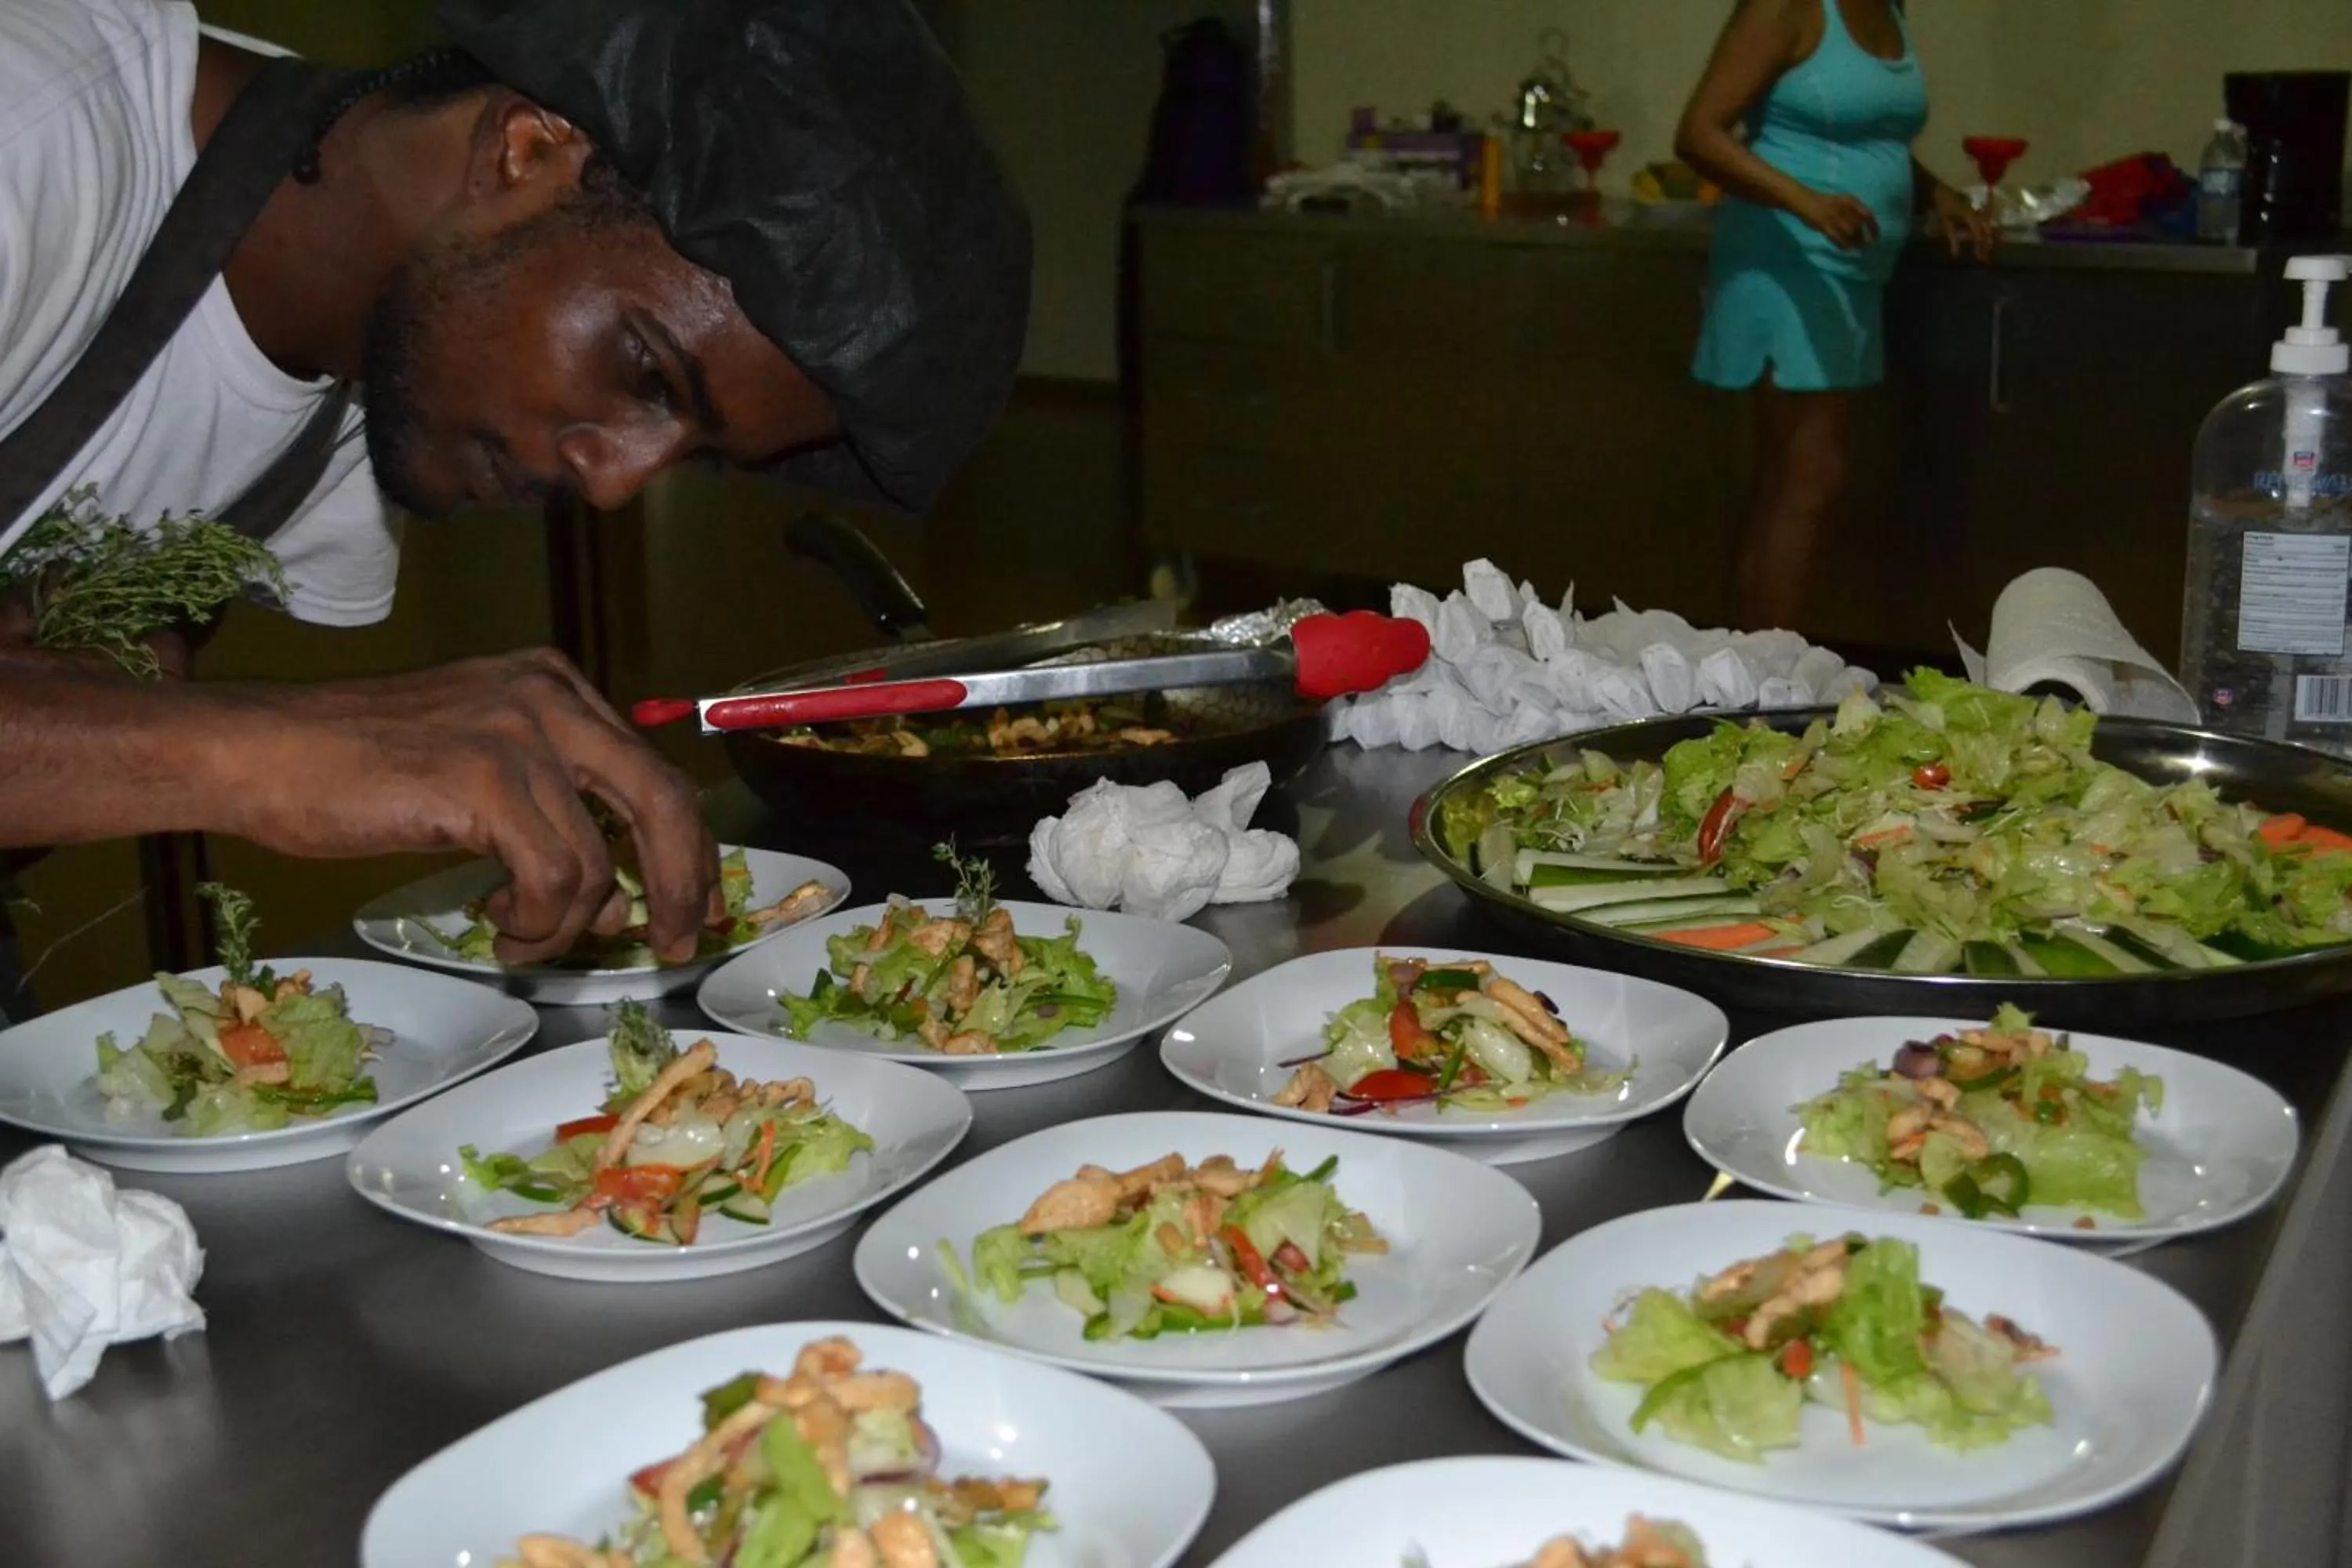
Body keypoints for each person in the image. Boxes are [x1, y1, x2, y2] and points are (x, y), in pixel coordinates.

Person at [0, 0, 1029, 1006]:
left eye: (695, 452)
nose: (617, 483)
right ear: (528, 149)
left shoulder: (370, 385)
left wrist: (124, 707)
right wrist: (267, 747)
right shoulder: (33, 133)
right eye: (647, 373)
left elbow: (81, 722)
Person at [1675, 0, 1994, 632]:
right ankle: (1773, 681)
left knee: (1788, 479)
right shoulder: (1785, 8)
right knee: (1810, 475)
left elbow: (1873, 133)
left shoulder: (1889, 10)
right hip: (1786, 263)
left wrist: (1942, 196)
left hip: (1851, 275)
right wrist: (1807, 203)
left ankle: (1751, 675)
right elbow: (1699, 134)